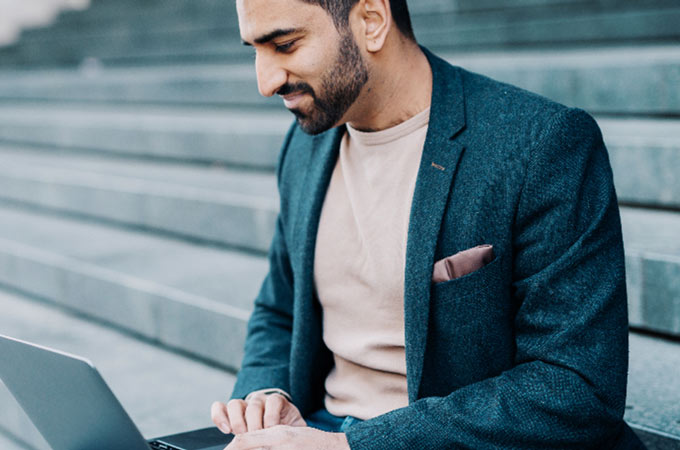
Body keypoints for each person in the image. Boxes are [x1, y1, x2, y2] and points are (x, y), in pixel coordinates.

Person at [211, 0, 646, 448]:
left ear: (372, 21)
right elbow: (279, 309)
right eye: (254, 50)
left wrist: (353, 447)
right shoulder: (304, 149)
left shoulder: (541, 145)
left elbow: (574, 387)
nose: (266, 83)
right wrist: (264, 394)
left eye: (285, 44)